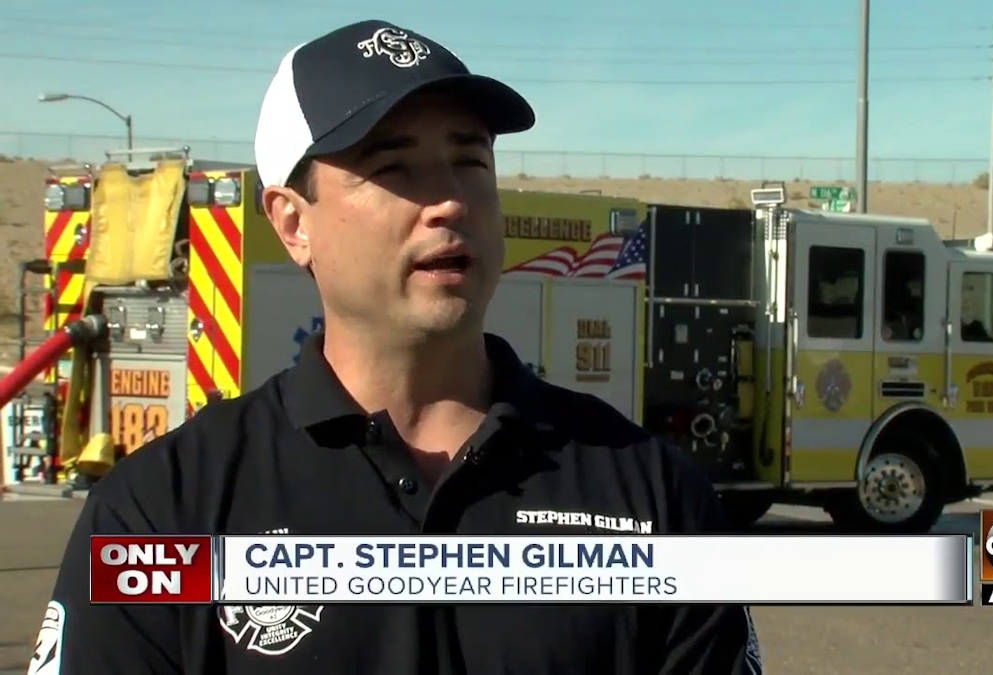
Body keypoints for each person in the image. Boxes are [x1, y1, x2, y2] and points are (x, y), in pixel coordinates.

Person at [28, 19, 764, 675]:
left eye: (471, 161)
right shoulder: (164, 508)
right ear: (292, 223)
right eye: (394, 168)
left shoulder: (651, 497)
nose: (449, 199)